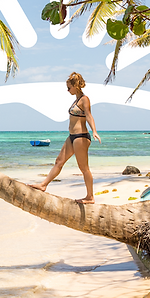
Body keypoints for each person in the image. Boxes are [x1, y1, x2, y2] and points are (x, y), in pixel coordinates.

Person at [28, 72, 102, 203]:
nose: (67, 90)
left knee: (84, 168)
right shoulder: (76, 100)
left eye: (69, 88)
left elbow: (89, 115)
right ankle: (43, 185)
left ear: (76, 86)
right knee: (59, 161)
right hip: (72, 137)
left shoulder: (85, 99)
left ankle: (90, 196)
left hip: (81, 137)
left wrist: (94, 131)